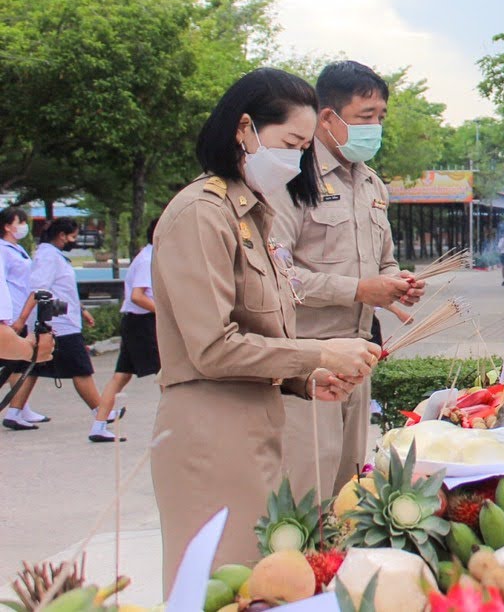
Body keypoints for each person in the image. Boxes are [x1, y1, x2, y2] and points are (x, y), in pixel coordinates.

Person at [152, 67, 380, 584]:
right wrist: (318, 353)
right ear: (245, 129)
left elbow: (261, 333)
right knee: (220, 585)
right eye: (290, 144)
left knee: (261, 584)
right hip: (212, 434)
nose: (297, 161)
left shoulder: (250, 216)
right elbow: (213, 347)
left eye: (304, 149)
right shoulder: (201, 214)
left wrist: (305, 378)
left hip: (258, 426)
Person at [273, 61, 421, 500]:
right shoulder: (292, 181)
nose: (375, 128)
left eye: (380, 117)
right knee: (305, 492)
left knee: (348, 489)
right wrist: (358, 290)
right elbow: (277, 277)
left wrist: (397, 282)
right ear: (328, 117)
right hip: (308, 363)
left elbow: (385, 262)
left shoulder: (372, 184)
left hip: (359, 361)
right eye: (364, 116)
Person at [5, 218, 116, 439]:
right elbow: (38, 291)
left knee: (34, 367)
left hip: (60, 320)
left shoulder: (53, 255)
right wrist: (21, 320)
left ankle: (14, 412)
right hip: (59, 325)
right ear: (62, 235)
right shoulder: (47, 256)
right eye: (73, 236)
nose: (74, 240)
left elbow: (62, 290)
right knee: (81, 369)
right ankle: (101, 415)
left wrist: (81, 310)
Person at [90, 218, 163, 442]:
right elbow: (137, 296)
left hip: (135, 322)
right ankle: (173, 428)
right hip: (142, 323)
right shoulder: (148, 259)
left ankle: (99, 425)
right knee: (166, 374)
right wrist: (164, 312)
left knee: (121, 375)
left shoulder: (150, 257)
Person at [1, 206, 47, 429]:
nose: (23, 226)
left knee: (20, 362)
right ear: (7, 226)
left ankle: (21, 407)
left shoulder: (18, 249)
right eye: (19, 222)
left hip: (22, 312)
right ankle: (17, 408)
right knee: (15, 361)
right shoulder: (3, 250)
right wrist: (12, 318)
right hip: (12, 314)